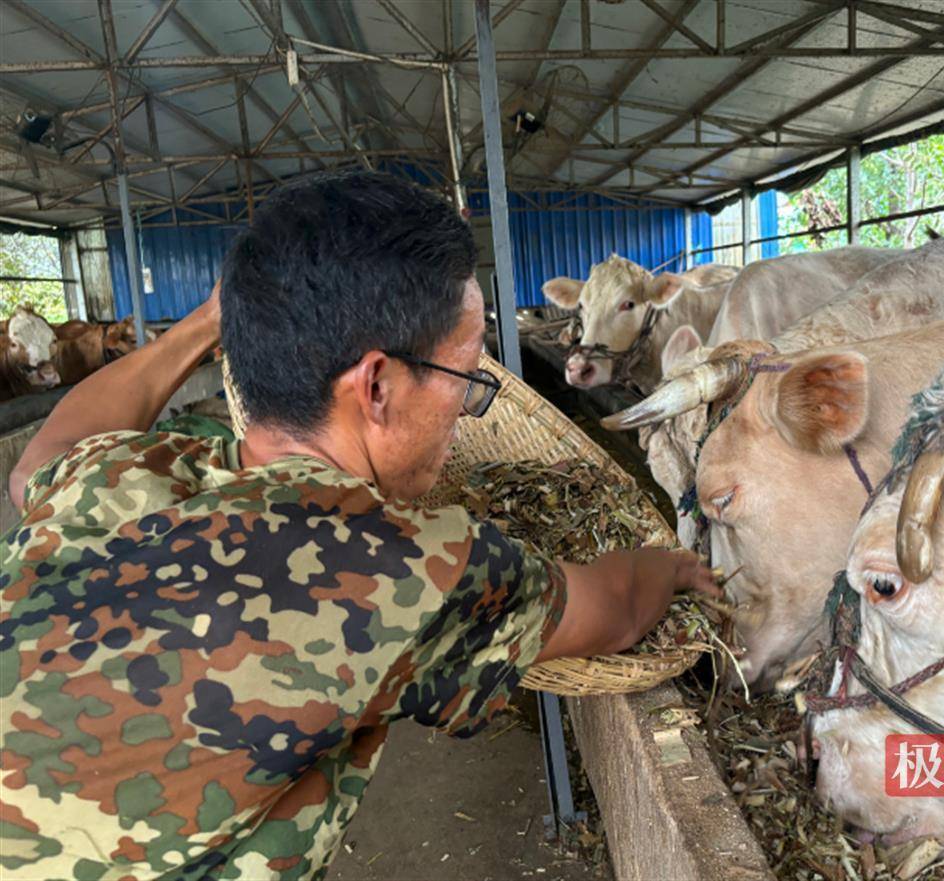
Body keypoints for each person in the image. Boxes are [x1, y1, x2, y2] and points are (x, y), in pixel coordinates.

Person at [0, 170, 717, 881]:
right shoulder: (390, 567)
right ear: (376, 386)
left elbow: (40, 455)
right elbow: (615, 607)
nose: (466, 413)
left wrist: (204, 321)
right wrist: (675, 564)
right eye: (467, 381)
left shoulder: (115, 476)